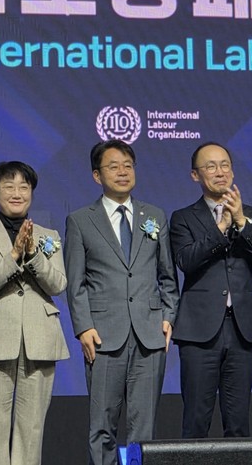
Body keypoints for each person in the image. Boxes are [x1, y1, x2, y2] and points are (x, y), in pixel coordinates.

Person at [65, 139, 178, 465]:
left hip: (149, 335)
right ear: (97, 175)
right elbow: (76, 283)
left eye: (128, 165)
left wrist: (168, 315)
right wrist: (83, 327)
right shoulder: (80, 220)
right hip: (103, 336)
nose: (123, 172)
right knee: (103, 426)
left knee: (144, 428)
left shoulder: (154, 215)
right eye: (113, 166)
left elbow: (168, 275)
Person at [0, 161, 69, 465]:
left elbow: (58, 284)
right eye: (9, 186)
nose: (17, 193)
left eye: (24, 186)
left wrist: (32, 254)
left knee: (31, 431)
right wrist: (13, 254)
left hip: (40, 339)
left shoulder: (48, 236)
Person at [169, 142, 252, 438]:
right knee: (196, 421)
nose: (220, 172)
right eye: (211, 166)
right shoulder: (183, 217)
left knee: (238, 422)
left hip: (243, 328)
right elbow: (186, 261)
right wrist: (220, 229)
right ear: (195, 175)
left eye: (225, 165)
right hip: (199, 330)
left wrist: (240, 222)